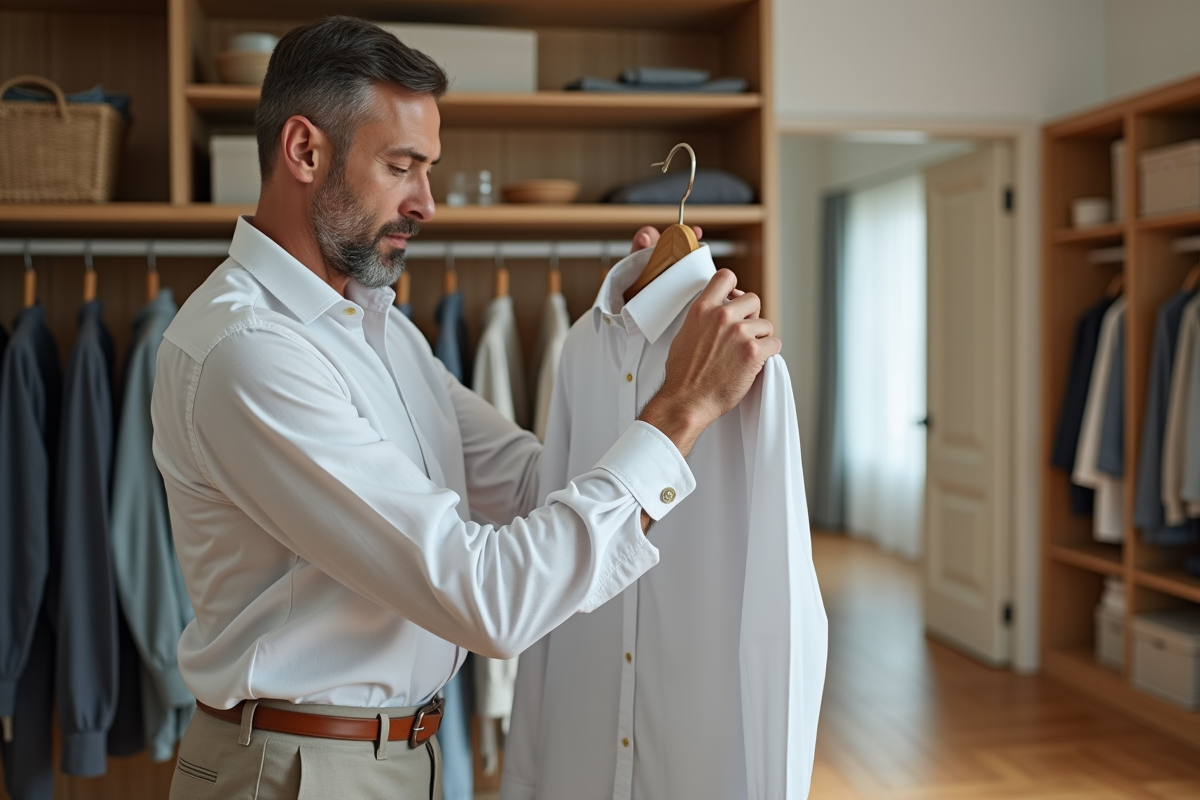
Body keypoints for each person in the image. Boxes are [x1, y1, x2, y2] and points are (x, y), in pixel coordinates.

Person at [153, 16, 780, 800]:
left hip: (399, 758)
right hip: (297, 773)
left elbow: (533, 484)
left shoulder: (382, 331)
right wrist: (680, 408)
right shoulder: (248, 353)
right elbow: (486, 598)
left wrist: (640, 341)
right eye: (402, 167)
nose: (428, 203)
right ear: (304, 151)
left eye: (429, 169)